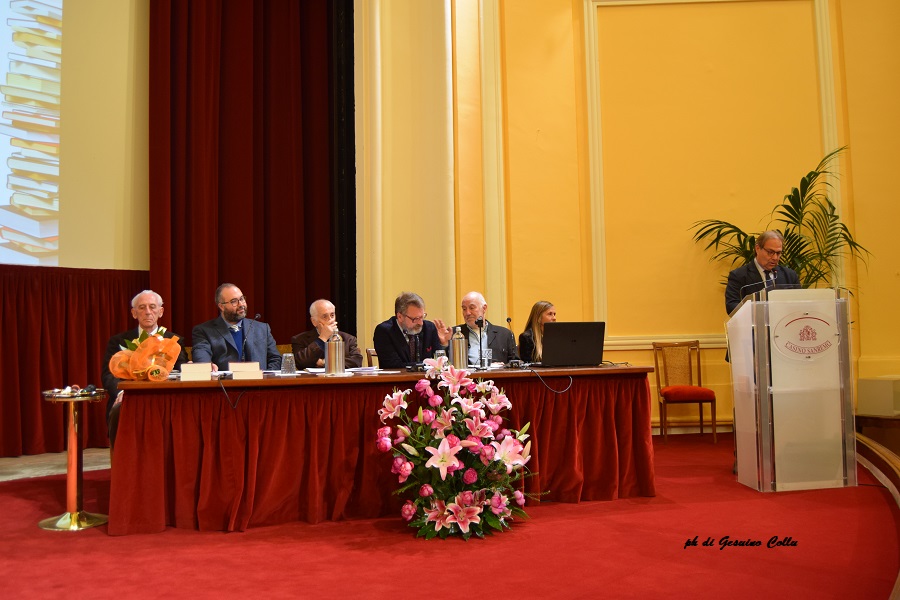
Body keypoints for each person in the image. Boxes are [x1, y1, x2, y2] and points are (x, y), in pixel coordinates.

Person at [101, 290, 187, 448]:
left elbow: (180, 371)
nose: (148, 312)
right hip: (128, 398)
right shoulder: (118, 341)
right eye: (142, 307)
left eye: (152, 307)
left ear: (161, 311)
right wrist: (121, 393)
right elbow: (108, 375)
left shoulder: (174, 340)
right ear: (134, 313)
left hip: (164, 399)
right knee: (118, 410)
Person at [191, 283, 282, 371]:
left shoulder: (262, 329)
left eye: (242, 299)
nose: (241, 304)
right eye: (234, 301)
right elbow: (201, 357)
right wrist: (207, 366)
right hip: (224, 381)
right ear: (221, 306)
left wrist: (265, 378)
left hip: (259, 380)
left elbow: (275, 359)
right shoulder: (204, 331)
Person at [725, 230, 801, 314]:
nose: (775, 258)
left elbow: (800, 303)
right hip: (754, 321)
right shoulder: (739, 275)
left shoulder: (790, 275)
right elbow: (732, 307)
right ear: (757, 249)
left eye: (778, 253)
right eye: (770, 252)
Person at [373, 291, 452, 369]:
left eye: (422, 317)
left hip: (427, 377)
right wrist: (427, 364)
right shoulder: (384, 332)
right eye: (415, 319)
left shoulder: (429, 328)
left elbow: (441, 363)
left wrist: (444, 345)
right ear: (400, 317)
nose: (421, 323)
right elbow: (393, 365)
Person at [291, 299, 363, 368]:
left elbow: (357, 361)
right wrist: (323, 338)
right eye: (324, 316)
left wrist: (325, 363)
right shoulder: (300, 339)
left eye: (332, 315)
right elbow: (300, 363)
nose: (330, 320)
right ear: (314, 321)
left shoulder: (349, 339)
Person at [456, 291, 518, 366]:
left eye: (472, 308)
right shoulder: (454, 334)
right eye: (464, 309)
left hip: (497, 373)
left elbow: (516, 363)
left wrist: (502, 367)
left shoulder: (504, 334)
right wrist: (444, 344)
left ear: (484, 308)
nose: (467, 313)